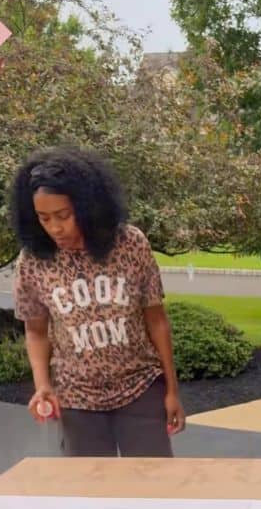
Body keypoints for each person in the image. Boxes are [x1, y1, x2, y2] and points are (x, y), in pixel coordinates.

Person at [10, 146, 186, 457]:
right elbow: (36, 332)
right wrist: (42, 385)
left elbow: (156, 320)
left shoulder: (130, 244)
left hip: (140, 388)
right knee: (91, 496)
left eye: (64, 215)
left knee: (155, 487)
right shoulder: (33, 262)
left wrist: (172, 391)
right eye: (44, 218)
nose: (55, 228)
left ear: (87, 206)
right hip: (77, 400)